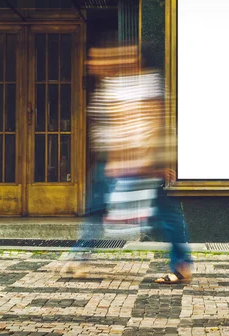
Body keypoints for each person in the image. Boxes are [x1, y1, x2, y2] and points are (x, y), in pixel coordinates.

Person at [86, 43, 193, 284]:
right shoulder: (118, 84)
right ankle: (182, 264)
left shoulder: (144, 84)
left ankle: (183, 264)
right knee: (163, 213)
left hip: (139, 163)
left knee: (165, 213)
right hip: (130, 163)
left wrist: (143, 161)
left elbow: (149, 122)